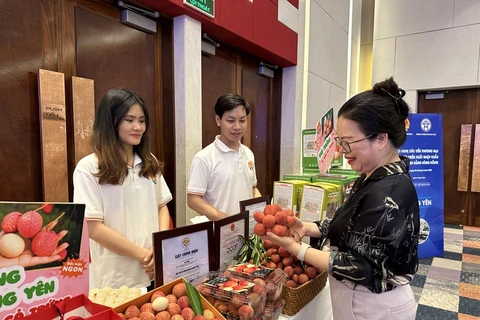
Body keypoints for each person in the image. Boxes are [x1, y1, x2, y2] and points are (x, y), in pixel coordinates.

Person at [263, 77, 419, 320]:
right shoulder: (371, 176)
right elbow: (351, 227)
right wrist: (306, 228)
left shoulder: (390, 191)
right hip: (360, 299)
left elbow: (359, 264)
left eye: (347, 144)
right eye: (339, 143)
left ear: (380, 138)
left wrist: (296, 249)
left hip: (376, 306)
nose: (341, 152)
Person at [73, 88, 172, 290]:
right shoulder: (89, 168)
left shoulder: (148, 161)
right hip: (116, 279)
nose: (138, 127)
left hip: (154, 270)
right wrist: (144, 256)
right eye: (129, 120)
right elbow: (93, 228)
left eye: (142, 120)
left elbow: (161, 206)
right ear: (111, 122)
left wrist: (159, 249)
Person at [187, 93, 261, 220]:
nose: (237, 127)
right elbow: (193, 200)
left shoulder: (248, 153)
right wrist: (225, 219)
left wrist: (262, 210)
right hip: (220, 231)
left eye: (242, 120)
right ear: (218, 120)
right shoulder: (204, 157)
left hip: (247, 231)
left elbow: (253, 188)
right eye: (230, 121)